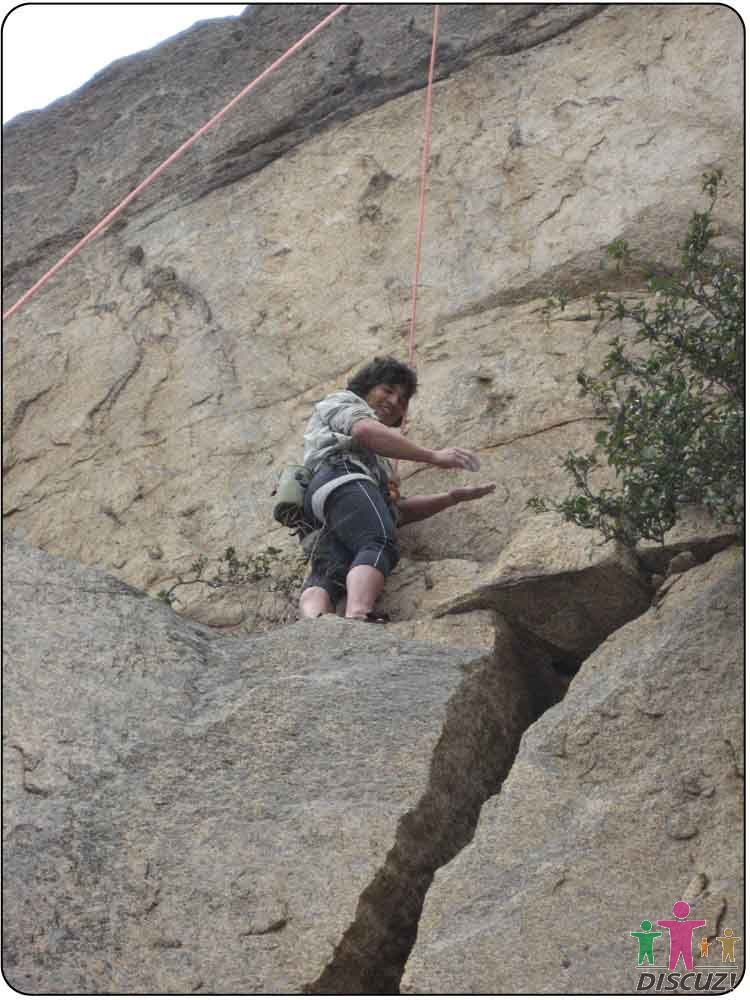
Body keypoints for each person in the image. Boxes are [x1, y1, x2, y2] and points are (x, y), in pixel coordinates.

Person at [298, 355, 495, 621]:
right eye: (387, 390)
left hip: (325, 500)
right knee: (378, 541)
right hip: (342, 475)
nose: (394, 402)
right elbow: (364, 431)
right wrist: (433, 456)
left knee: (328, 574)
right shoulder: (344, 401)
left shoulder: (379, 462)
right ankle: (359, 614)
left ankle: (313, 627)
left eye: (402, 400)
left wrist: (451, 498)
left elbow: (392, 511)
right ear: (366, 387)